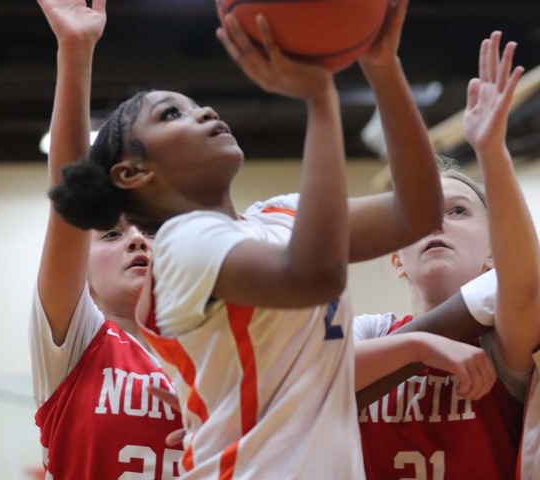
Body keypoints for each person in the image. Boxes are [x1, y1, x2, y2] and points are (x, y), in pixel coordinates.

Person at [49, 0, 450, 476]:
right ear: (134, 172)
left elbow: (417, 212)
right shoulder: (181, 249)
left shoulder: (282, 215)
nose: (205, 112)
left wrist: (383, 67)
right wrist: (320, 100)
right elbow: (313, 276)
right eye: (172, 114)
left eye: (197, 105)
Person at [355, 31, 535, 480]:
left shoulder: (501, 345)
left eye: (457, 211)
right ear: (397, 259)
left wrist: (491, 152)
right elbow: (307, 383)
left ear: (494, 251)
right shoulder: (369, 331)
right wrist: (418, 345)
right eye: (422, 215)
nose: (437, 223)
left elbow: (525, 285)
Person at [29, 0, 183, 477]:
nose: (136, 240)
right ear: (85, 277)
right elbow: (72, 192)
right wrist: (75, 50)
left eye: (149, 231)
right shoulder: (76, 342)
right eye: (113, 234)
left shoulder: (212, 353)